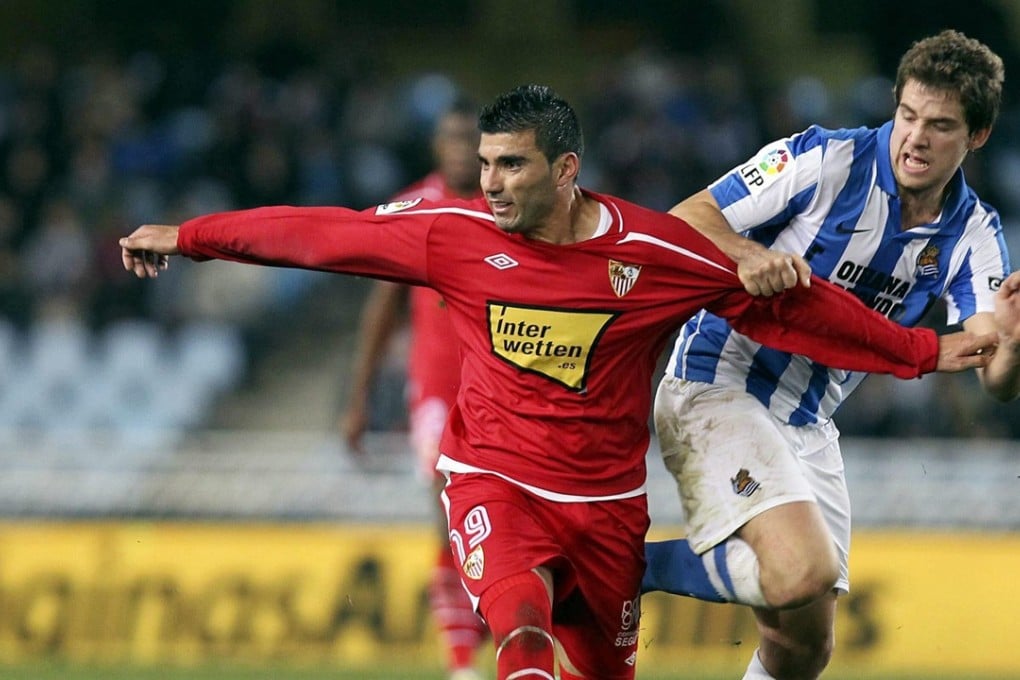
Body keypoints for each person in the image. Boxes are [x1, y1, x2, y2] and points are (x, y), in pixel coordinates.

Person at [119, 84, 995, 680]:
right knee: (521, 627)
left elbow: (792, 315)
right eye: (487, 164)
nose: (490, 184)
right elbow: (322, 234)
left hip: (608, 510)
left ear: (566, 170)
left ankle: (644, 581)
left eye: (512, 166)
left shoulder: (651, 255)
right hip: (492, 479)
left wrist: (926, 351)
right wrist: (191, 235)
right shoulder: (451, 234)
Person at [642, 30, 1020, 680]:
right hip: (718, 383)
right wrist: (750, 254)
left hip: (808, 421)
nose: (915, 138)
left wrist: (1012, 345)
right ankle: (625, 564)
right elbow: (684, 217)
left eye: (940, 125)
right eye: (907, 115)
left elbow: (995, 376)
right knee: (805, 572)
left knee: (804, 646)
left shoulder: (975, 233)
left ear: (977, 136)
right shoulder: (824, 160)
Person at [339, 98, 488, 680]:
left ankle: (500, 640)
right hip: (436, 394)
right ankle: (460, 665)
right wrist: (359, 400)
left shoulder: (508, 209)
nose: (458, 150)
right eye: (449, 139)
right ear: (436, 146)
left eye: (467, 141)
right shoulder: (412, 209)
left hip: (502, 395)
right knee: (448, 518)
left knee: (501, 532)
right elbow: (382, 308)